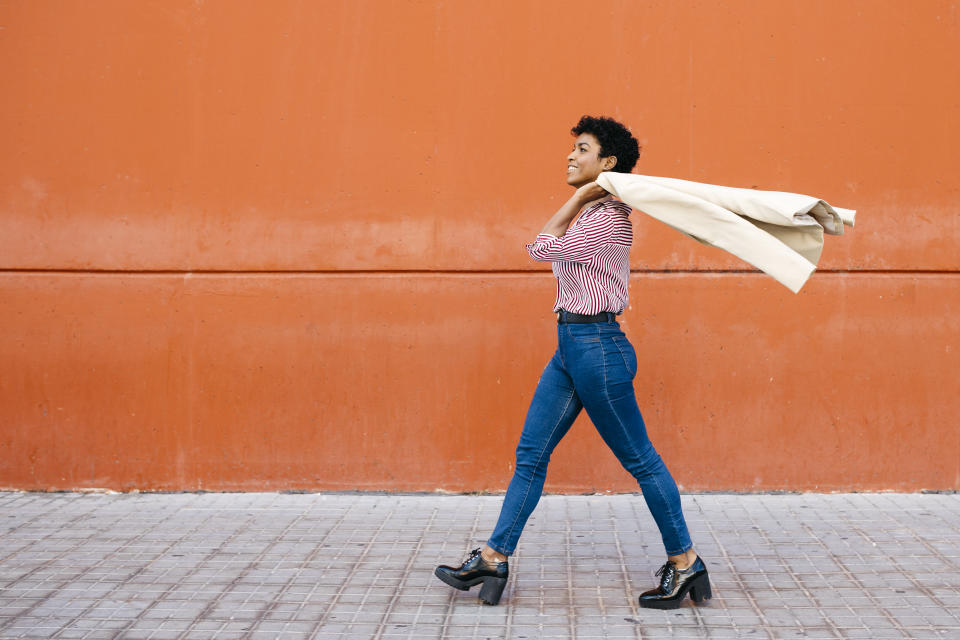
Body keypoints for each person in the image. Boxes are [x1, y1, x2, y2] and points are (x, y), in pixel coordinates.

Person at [434, 115, 711, 609]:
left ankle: (685, 563)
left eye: (582, 149)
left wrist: (583, 197)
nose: (570, 155)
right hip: (570, 348)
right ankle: (494, 557)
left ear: (607, 163)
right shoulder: (591, 213)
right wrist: (581, 198)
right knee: (531, 455)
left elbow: (540, 245)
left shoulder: (608, 218)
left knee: (641, 461)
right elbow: (545, 242)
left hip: (598, 350)